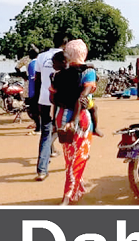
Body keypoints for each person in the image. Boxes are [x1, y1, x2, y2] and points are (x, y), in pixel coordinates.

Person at [50, 39, 96, 205]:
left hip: (61, 116)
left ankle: (77, 189)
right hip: (80, 119)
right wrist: (74, 119)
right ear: (84, 54)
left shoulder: (57, 75)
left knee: (69, 158)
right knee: (79, 159)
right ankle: (68, 195)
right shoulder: (88, 72)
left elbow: (52, 98)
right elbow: (84, 96)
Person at [34, 32, 68, 182]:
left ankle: (42, 170)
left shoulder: (41, 57)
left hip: (44, 100)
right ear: (65, 43)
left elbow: (37, 81)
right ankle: (73, 161)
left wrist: (35, 102)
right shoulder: (66, 56)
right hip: (61, 101)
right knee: (68, 129)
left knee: (46, 133)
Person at [26, 47, 40, 134]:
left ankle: (38, 128)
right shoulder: (39, 62)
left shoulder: (32, 64)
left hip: (33, 90)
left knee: (34, 110)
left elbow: (33, 78)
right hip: (38, 90)